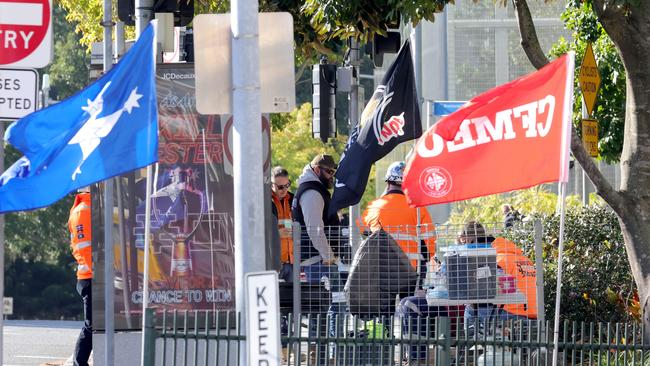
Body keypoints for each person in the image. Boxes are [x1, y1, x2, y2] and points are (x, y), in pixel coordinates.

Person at [291, 153, 342, 363]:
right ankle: (325, 356)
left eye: (333, 172)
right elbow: (314, 229)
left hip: (318, 260)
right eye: (329, 171)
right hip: (319, 262)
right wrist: (328, 256)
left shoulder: (312, 189)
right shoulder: (312, 192)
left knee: (321, 309)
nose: (331, 176)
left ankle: (321, 355)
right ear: (317, 169)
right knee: (330, 307)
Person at [361, 161, 437, 277]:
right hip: (412, 270)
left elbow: (363, 231)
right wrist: (425, 258)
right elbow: (429, 242)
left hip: (382, 269)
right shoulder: (418, 208)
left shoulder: (373, 207)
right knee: (410, 296)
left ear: (388, 182)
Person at [68, 189, 93, 366]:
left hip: (92, 275)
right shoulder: (83, 210)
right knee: (91, 326)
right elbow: (85, 247)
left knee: (93, 326)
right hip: (91, 276)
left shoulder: (88, 207)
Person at [270, 166, 295, 282]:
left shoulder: (293, 200)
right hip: (272, 263)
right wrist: (276, 233)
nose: (284, 190)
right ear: (271, 185)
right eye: (280, 187)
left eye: (287, 185)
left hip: (291, 262)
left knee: (293, 298)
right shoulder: (264, 200)